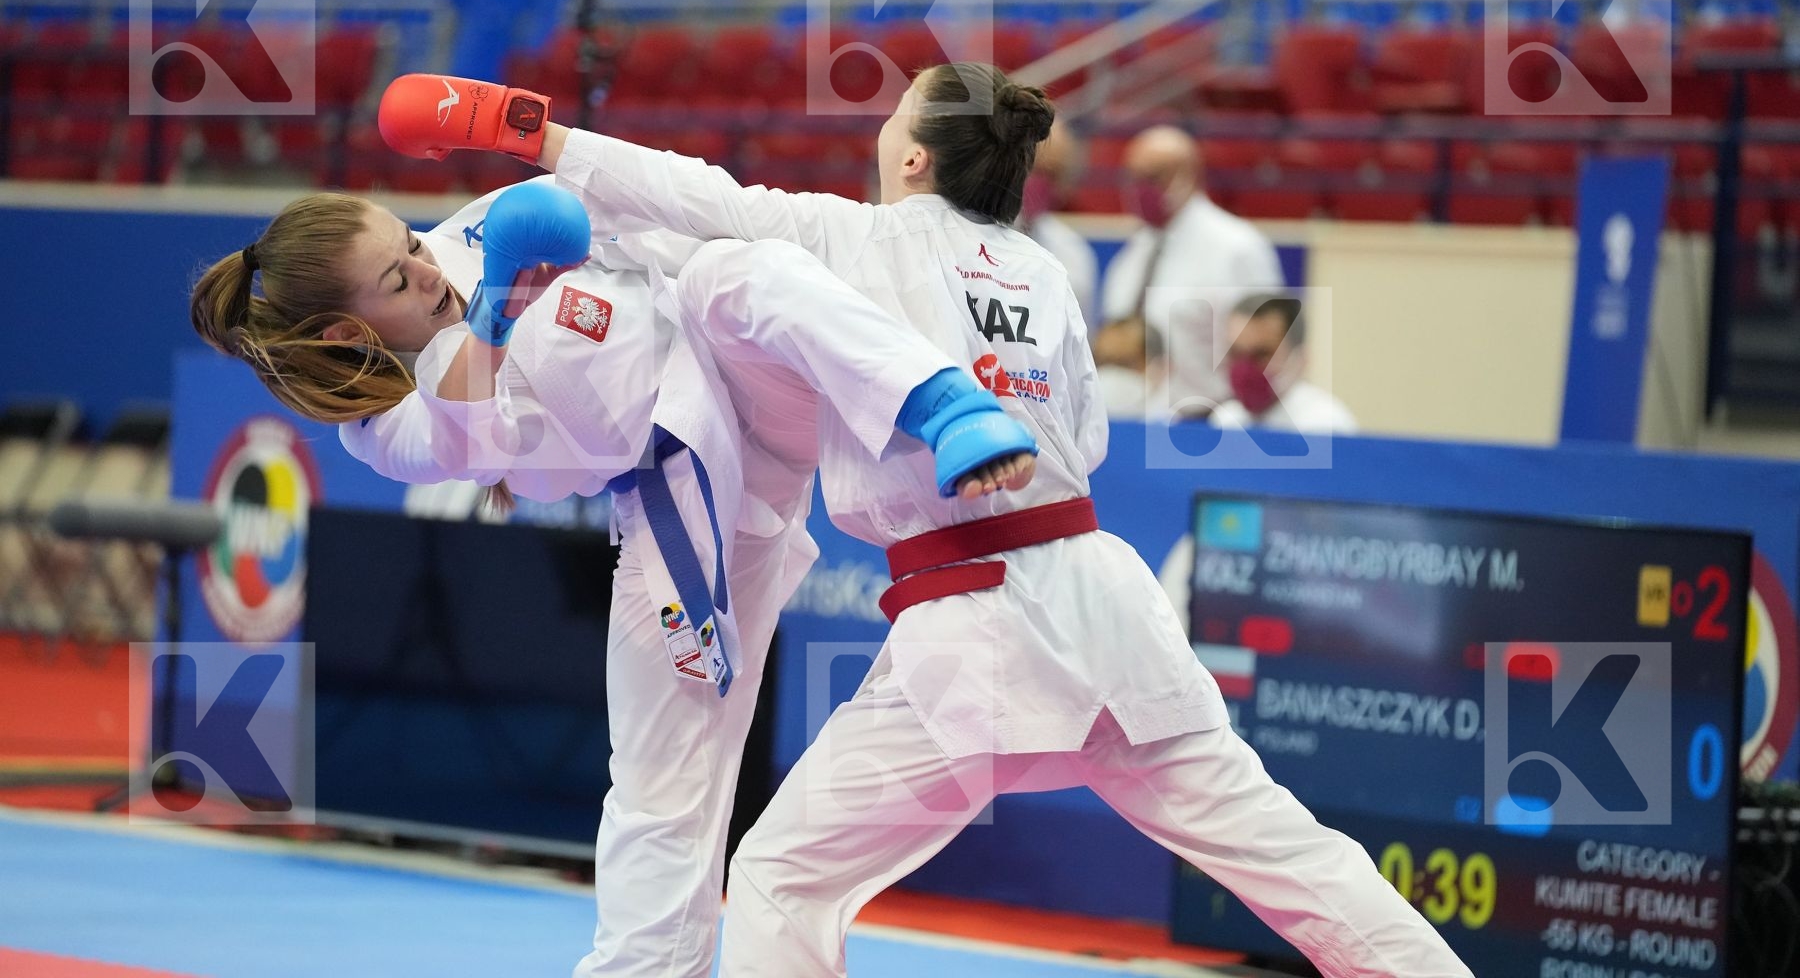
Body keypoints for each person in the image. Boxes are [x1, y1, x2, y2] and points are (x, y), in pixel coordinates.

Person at [378, 67, 1476, 978]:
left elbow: (692, 192)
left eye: (893, 112)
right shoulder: (1048, 274)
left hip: (975, 622)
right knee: (1293, 857)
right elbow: (1083, 444)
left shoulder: (855, 240)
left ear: (913, 158)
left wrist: (521, 127)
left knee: (782, 880)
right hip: (1104, 596)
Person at [189, 165, 1034, 978]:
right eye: (396, 279)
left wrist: (558, 167)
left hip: (744, 374)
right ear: (347, 332)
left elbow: (668, 212)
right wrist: (494, 309)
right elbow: (471, 434)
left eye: (408, 240)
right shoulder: (380, 431)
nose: (425, 265)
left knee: (740, 270)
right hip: (679, 505)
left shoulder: (492, 223)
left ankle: (945, 402)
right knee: (658, 787)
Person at [1092, 125, 1282, 420]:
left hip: (1209, 423)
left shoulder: (1237, 249)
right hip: (1134, 422)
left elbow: (1267, 348)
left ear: (1189, 174)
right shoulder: (1133, 253)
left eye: (1153, 176)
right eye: (1133, 177)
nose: (1141, 188)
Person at [1210, 293, 1358, 433]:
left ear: (1300, 359)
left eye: (1262, 355)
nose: (1245, 367)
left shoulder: (1325, 424)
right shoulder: (1226, 420)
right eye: (1236, 353)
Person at [1019, 118, 1098, 325]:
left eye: (1052, 174)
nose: (1040, 182)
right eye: (1034, 169)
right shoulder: (973, 238)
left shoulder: (1074, 252)